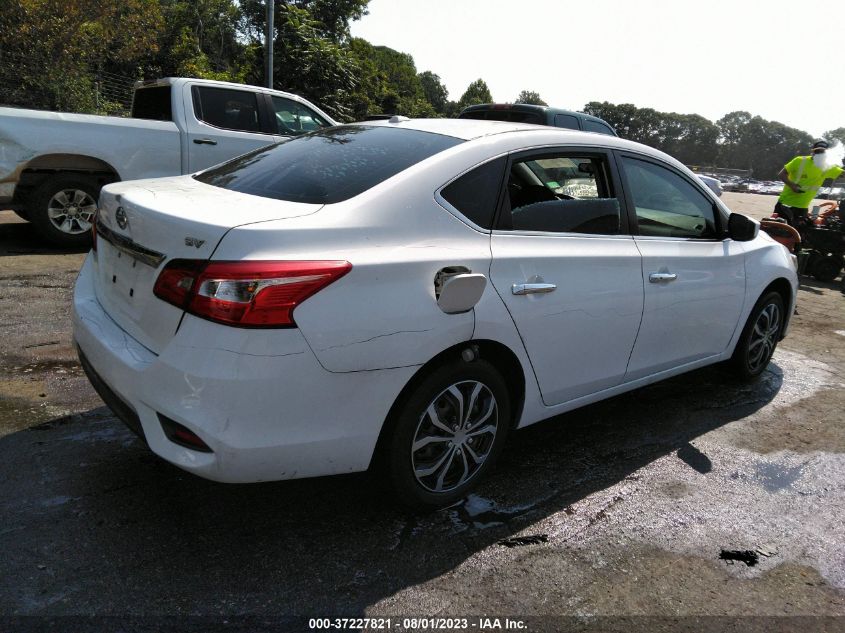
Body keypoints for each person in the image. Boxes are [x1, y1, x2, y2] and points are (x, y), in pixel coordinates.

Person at [775, 139, 844, 226]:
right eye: (817, 151)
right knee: (779, 232)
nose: (819, 153)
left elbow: (843, 174)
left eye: (822, 152)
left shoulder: (828, 167)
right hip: (785, 205)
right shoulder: (799, 160)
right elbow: (782, 174)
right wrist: (792, 185)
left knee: (804, 234)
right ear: (813, 151)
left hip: (803, 208)